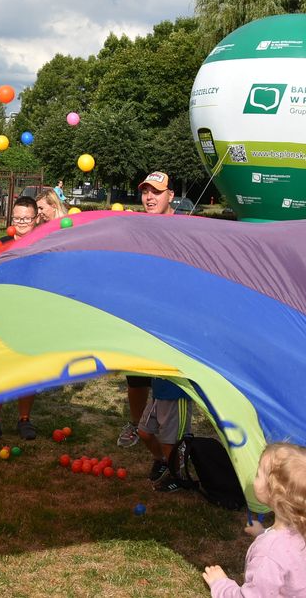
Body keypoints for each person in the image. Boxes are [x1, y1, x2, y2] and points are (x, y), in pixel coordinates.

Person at [203, 443, 306, 597]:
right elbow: (287, 550)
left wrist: (221, 584)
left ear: (275, 493)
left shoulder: (268, 554)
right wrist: (262, 532)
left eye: (258, 474)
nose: (254, 478)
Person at [117, 171, 176, 448]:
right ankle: (138, 423)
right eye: (145, 192)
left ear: (170, 195)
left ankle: (169, 435)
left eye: (156, 192)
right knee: (136, 375)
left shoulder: (185, 228)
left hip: (170, 313)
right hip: (140, 311)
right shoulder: (137, 224)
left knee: (168, 380)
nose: (150, 198)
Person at [0, 197, 41, 443]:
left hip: (31, 315)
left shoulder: (44, 245)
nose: (22, 222)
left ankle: (24, 419)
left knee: (27, 368)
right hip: (1, 315)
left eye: (27, 218)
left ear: (36, 219)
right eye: (17, 218)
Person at [138, 378, 193, 491]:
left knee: (168, 443)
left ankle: (176, 477)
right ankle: (162, 460)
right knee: (144, 432)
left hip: (175, 396)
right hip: (158, 393)